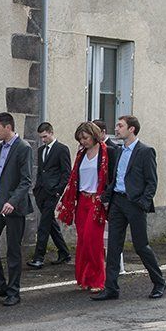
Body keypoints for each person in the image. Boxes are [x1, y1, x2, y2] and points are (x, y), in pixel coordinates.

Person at [96, 115, 166, 301]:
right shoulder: (119, 151)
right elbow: (117, 178)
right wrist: (106, 197)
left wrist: (143, 202)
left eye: (120, 126)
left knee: (141, 246)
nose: (116, 129)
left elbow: (151, 182)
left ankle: (159, 282)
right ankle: (111, 288)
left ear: (131, 129)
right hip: (117, 202)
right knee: (113, 246)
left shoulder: (145, 151)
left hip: (134, 204)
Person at [0, 113, 34, 306]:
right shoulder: (1, 147)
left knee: (13, 250)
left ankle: (13, 292)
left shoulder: (23, 148)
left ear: (8, 127)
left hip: (13, 206)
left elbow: (26, 180)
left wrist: (12, 201)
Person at [56, 122, 111, 292]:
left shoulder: (106, 152)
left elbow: (111, 177)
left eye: (85, 138)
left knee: (92, 240)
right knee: (82, 241)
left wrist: (105, 198)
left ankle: (98, 280)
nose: (83, 141)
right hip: (82, 200)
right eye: (80, 139)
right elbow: (74, 178)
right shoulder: (81, 154)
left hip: (96, 201)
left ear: (94, 135)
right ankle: (84, 278)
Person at [28, 122, 72, 269]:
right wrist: (37, 188)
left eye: (45, 136)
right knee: (50, 223)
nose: (43, 140)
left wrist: (58, 191)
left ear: (51, 132)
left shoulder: (62, 149)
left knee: (44, 224)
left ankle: (39, 257)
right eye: (41, 137)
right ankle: (64, 252)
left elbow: (66, 173)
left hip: (53, 192)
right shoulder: (41, 150)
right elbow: (41, 171)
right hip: (41, 191)